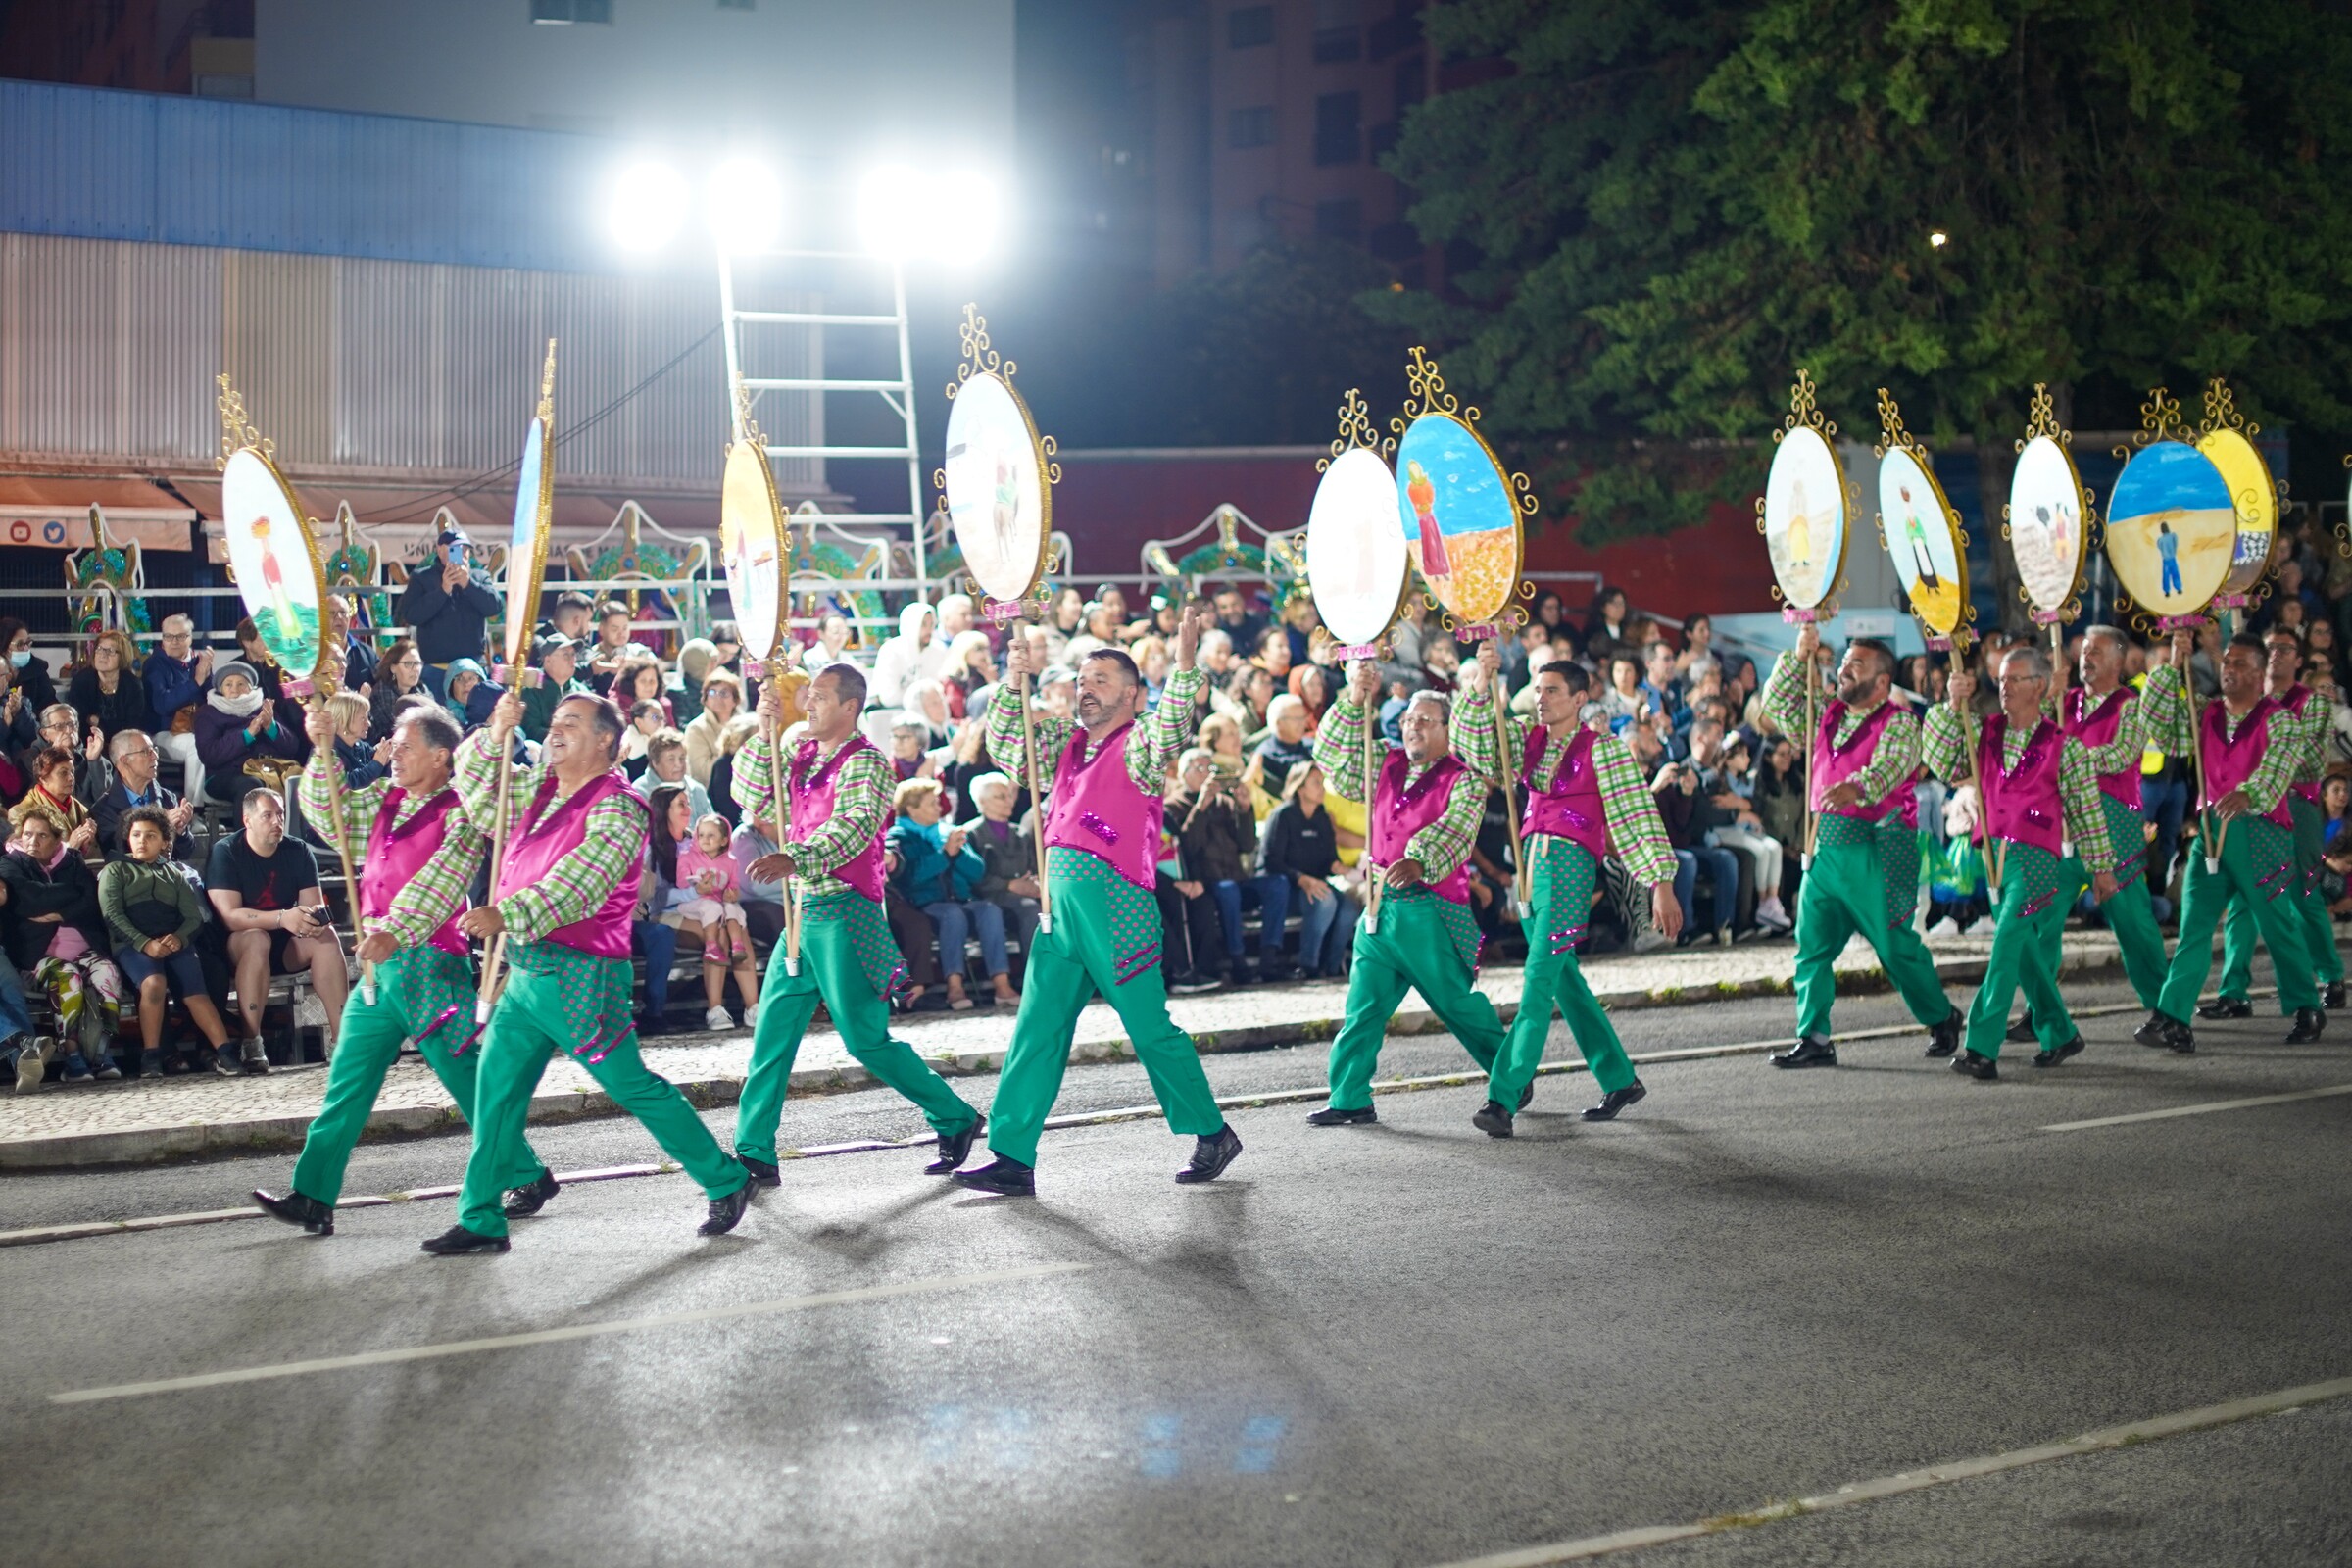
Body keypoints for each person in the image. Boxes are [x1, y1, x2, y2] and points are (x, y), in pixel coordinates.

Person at [423, 691, 753, 1253]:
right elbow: (478, 798)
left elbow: (582, 883)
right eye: (553, 721)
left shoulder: (620, 806)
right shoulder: (539, 788)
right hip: (525, 973)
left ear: (605, 740)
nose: (555, 731)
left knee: (630, 1086)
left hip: (581, 976)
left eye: (571, 723)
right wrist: (494, 734)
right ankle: (480, 1219)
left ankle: (724, 1177)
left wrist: (508, 912)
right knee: (494, 1094)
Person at [955, 609, 1241, 1196]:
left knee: (1148, 1028)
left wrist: (1184, 666)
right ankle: (1011, 1156)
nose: (1086, 690)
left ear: (1132, 694)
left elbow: (1171, 728)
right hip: (1058, 911)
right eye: (1082, 681)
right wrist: (1013, 680)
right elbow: (1007, 748)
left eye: (1101, 681)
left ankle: (1212, 1133)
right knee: (1036, 1030)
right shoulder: (1065, 741)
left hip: (1116, 906)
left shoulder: (1140, 743)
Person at [251, 704, 557, 1239]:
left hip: (429, 963)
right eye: (393, 744)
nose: (393, 753)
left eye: (405, 746)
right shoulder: (384, 799)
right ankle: (313, 1195)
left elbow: (443, 880)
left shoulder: (461, 810)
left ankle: (525, 1172)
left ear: (440, 756)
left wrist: (396, 929)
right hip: (381, 969)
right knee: (347, 1080)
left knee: (466, 1077)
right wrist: (321, 751)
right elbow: (330, 815)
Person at [729, 664, 986, 1185]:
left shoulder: (867, 761)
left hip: (845, 913)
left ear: (850, 706)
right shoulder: (799, 751)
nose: (808, 705)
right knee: (771, 1038)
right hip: (801, 914)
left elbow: (853, 827)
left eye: (820, 697)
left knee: (865, 1041)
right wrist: (763, 729)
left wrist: (796, 858)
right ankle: (754, 1151)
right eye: (808, 696)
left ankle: (955, 1116)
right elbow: (750, 794)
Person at [1455, 642, 1683, 1129]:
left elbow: (1637, 816)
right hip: (1531, 870)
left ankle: (1503, 1098)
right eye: (1538, 690)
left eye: (1553, 691)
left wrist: (1660, 883)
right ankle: (1620, 1078)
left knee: (1538, 981)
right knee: (1563, 980)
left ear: (1579, 699)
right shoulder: (1525, 737)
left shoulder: (1605, 749)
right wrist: (1480, 682)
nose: (1541, 698)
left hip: (1569, 869)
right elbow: (1472, 747)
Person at [1304, 668, 1512, 1132]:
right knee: (1363, 1008)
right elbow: (1331, 757)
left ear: (1448, 728)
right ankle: (1350, 1098)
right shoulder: (1383, 758)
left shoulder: (1464, 778)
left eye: (1425, 720)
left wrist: (1419, 858)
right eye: (1408, 720)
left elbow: (1457, 830)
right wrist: (1353, 699)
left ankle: (1511, 1076)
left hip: (1428, 907)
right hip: (1378, 906)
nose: (1413, 727)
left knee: (1457, 1005)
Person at [1762, 625, 1963, 1067]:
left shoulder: (1901, 721)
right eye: (1844, 661)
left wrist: (1857, 787)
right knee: (1812, 948)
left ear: (1882, 681)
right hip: (1825, 848)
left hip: (1878, 848)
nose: (1844, 669)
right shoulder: (1825, 713)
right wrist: (1797, 657)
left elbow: (1893, 766)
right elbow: (1776, 704)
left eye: (1857, 664)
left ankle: (1941, 1015)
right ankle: (1814, 1038)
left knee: (1894, 948)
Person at [1923, 649, 2118, 1078]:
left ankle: (1981, 1048)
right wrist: (1952, 706)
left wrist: (2101, 868)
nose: (2004, 687)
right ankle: (2061, 1033)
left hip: (2035, 858)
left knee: (2006, 945)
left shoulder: (2065, 746)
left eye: (2015, 679)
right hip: (1993, 855)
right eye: (2002, 679)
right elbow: (1942, 760)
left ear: (2040, 687)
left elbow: (2086, 811)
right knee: (2024, 952)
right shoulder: (1985, 730)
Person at [2134, 631, 2326, 1050]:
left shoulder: (2280, 720)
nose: (2229, 670)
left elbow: (2277, 771)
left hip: (2260, 831)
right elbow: (2157, 726)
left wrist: (2249, 794)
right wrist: (2171, 666)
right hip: (2210, 830)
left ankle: (2306, 1006)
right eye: (2226, 662)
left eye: (2240, 663)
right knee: (2194, 926)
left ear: (2259, 673)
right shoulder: (2205, 712)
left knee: (2277, 925)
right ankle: (2173, 1016)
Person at [1994, 626, 2170, 1038]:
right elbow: (2025, 738)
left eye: (2097, 652)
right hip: (2060, 827)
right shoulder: (2064, 701)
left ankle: (2167, 1008)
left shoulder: (2131, 706)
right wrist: (2044, 698)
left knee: (2134, 925)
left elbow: (2121, 755)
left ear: (2119, 662)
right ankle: (2041, 1011)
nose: (2086, 658)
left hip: (2113, 827)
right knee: (2041, 921)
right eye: (2085, 650)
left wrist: (2066, 756)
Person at [2206, 628, 2346, 1016]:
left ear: (2299, 660)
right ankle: (2234, 990)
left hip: (2295, 805)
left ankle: (2330, 974)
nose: (2276, 654)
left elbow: (2311, 763)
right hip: (2248, 808)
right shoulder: (2242, 703)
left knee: (2303, 891)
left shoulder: (2311, 702)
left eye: (2286, 648)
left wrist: (2264, 757)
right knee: (2242, 896)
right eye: (2270, 647)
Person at [207, 788, 349, 1064]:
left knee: (326, 938)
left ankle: (342, 1040)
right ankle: (252, 1042)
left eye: (281, 814)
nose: (277, 822)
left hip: (285, 943)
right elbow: (229, 916)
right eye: (268, 816)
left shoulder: (298, 850)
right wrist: (283, 917)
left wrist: (314, 920)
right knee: (257, 938)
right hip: (237, 945)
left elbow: (312, 905)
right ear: (247, 820)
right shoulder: (227, 851)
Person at [99, 808, 237, 1076]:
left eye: (150, 835)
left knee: (197, 993)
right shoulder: (115, 870)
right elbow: (112, 915)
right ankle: (151, 1057)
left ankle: (226, 1053)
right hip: (133, 945)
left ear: (164, 842)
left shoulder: (173, 874)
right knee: (154, 983)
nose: (141, 840)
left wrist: (180, 938)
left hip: (173, 942)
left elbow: (193, 916)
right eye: (136, 835)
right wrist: (145, 943)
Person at [3, 812, 125, 1083]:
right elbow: (30, 899)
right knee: (67, 977)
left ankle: (101, 1051)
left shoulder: (72, 861)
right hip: (37, 955)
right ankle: (72, 1056)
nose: (33, 841)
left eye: (42, 835)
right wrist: (69, 894)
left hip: (84, 948)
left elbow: (90, 901)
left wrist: (59, 912)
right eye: (28, 834)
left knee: (107, 973)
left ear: (57, 839)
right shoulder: (9, 864)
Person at [1168, 748, 1290, 984]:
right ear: (1183, 774)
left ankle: (1269, 957)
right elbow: (1187, 848)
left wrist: (1244, 810)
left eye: (1211, 768)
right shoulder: (1173, 806)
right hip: (1207, 883)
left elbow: (1246, 844)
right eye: (1200, 768)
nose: (1207, 774)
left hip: (1236, 878)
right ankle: (1238, 961)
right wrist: (1200, 807)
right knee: (1228, 890)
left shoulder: (1224, 803)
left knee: (1278, 884)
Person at [886, 777, 991, 1010]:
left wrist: (958, 852)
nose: (939, 808)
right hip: (923, 903)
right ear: (912, 808)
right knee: (952, 915)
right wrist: (944, 854)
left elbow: (978, 873)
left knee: (989, 910)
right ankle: (955, 986)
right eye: (932, 803)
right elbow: (910, 877)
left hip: (960, 899)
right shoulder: (899, 836)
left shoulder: (946, 831)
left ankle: (1003, 984)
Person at [1256, 760, 1358, 979]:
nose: (1322, 788)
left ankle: (1332, 966)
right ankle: (1308, 965)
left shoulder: (1322, 817)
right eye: (1316, 783)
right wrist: (1302, 879)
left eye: (1322, 782)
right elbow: (1271, 861)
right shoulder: (1283, 815)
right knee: (1325, 899)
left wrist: (1338, 867)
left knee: (1350, 908)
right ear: (1300, 788)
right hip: (1285, 888)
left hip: (1315, 883)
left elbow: (1329, 858)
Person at [676, 812, 760, 1029]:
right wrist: (697, 888)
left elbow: (734, 885)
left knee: (735, 918)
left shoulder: (730, 861)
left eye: (711, 835)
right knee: (719, 924)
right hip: (691, 908)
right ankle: (715, 1010)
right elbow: (679, 886)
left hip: (719, 906)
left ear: (723, 840)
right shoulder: (686, 855)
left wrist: (732, 894)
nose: (704, 839)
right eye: (701, 834)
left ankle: (753, 1007)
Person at [399, 526, 501, 691]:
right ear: (440, 550)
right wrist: (443, 590)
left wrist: (469, 584)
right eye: (455, 548)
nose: (461, 553)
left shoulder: (480, 577)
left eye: (465, 549)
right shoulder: (422, 578)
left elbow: (494, 607)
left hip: (471, 667)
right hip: (436, 668)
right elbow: (411, 615)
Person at [962, 770, 1038, 993]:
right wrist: (1009, 885)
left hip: (1022, 896)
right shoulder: (971, 834)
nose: (1008, 801)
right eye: (1000, 796)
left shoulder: (1020, 833)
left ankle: (1049, 976)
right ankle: (1031, 979)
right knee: (1030, 910)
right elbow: (973, 876)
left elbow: (1032, 867)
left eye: (1008, 795)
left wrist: (1034, 883)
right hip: (987, 897)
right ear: (982, 802)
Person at [196, 661, 305, 804]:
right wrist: (246, 735)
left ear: (250, 687)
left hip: (269, 768)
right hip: (227, 773)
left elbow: (292, 747)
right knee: (252, 787)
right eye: (229, 684)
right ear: (221, 689)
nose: (235, 689)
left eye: (241, 684)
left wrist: (272, 727)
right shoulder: (208, 713)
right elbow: (209, 754)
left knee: (303, 781)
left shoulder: (264, 708)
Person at [93, 729, 198, 861]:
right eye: (146, 752)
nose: (155, 756)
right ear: (125, 760)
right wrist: (162, 827)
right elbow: (118, 855)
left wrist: (181, 831)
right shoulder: (103, 809)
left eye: (154, 750)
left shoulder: (167, 798)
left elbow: (185, 854)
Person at [141, 614, 210, 801]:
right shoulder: (154, 665)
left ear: (190, 638)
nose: (174, 642)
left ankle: (216, 798)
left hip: (197, 729)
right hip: (163, 733)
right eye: (168, 636)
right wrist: (195, 683)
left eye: (180, 636)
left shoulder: (199, 663)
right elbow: (162, 705)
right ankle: (194, 807)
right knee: (196, 745)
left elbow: (210, 699)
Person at [12, 746, 98, 857]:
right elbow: (29, 861)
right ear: (43, 779)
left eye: (72, 772)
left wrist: (87, 845)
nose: (71, 778)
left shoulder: (82, 810)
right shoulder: (19, 813)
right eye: (63, 773)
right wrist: (69, 847)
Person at [69, 628, 151, 744]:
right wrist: (114, 726)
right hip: (88, 742)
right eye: (99, 649)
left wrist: (98, 722)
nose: (103, 655)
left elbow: (133, 727)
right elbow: (78, 721)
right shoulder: (82, 680)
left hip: (124, 744)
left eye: (110, 651)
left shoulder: (132, 685)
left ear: (122, 656)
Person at [517, 634, 592, 744]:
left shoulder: (582, 692)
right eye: (566, 655)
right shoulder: (531, 690)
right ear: (548, 660)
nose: (572, 660)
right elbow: (531, 731)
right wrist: (566, 738)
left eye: (573, 654)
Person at [871, 602, 945, 710]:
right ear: (911, 625)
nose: (929, 630)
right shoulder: (891, 650)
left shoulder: (938, 649)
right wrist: (923, 698)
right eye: (923, 624)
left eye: (932, 625)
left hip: (929, 711)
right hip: (892, 711)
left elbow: (940, 690)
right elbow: (889, 697)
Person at [682, 669, 744, 787]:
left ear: (735, 699)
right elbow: (703, 772)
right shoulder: (696, 729)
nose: (718, 698)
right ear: (705, 699)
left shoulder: (746, 725)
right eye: (712, 692)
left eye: (724, 693)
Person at [0, 618, 59, 716]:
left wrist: (24, 714)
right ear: (3, 646)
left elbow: (50, 704)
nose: (26, 648)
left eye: (28, 643)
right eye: (20, 644)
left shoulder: (37, 669)